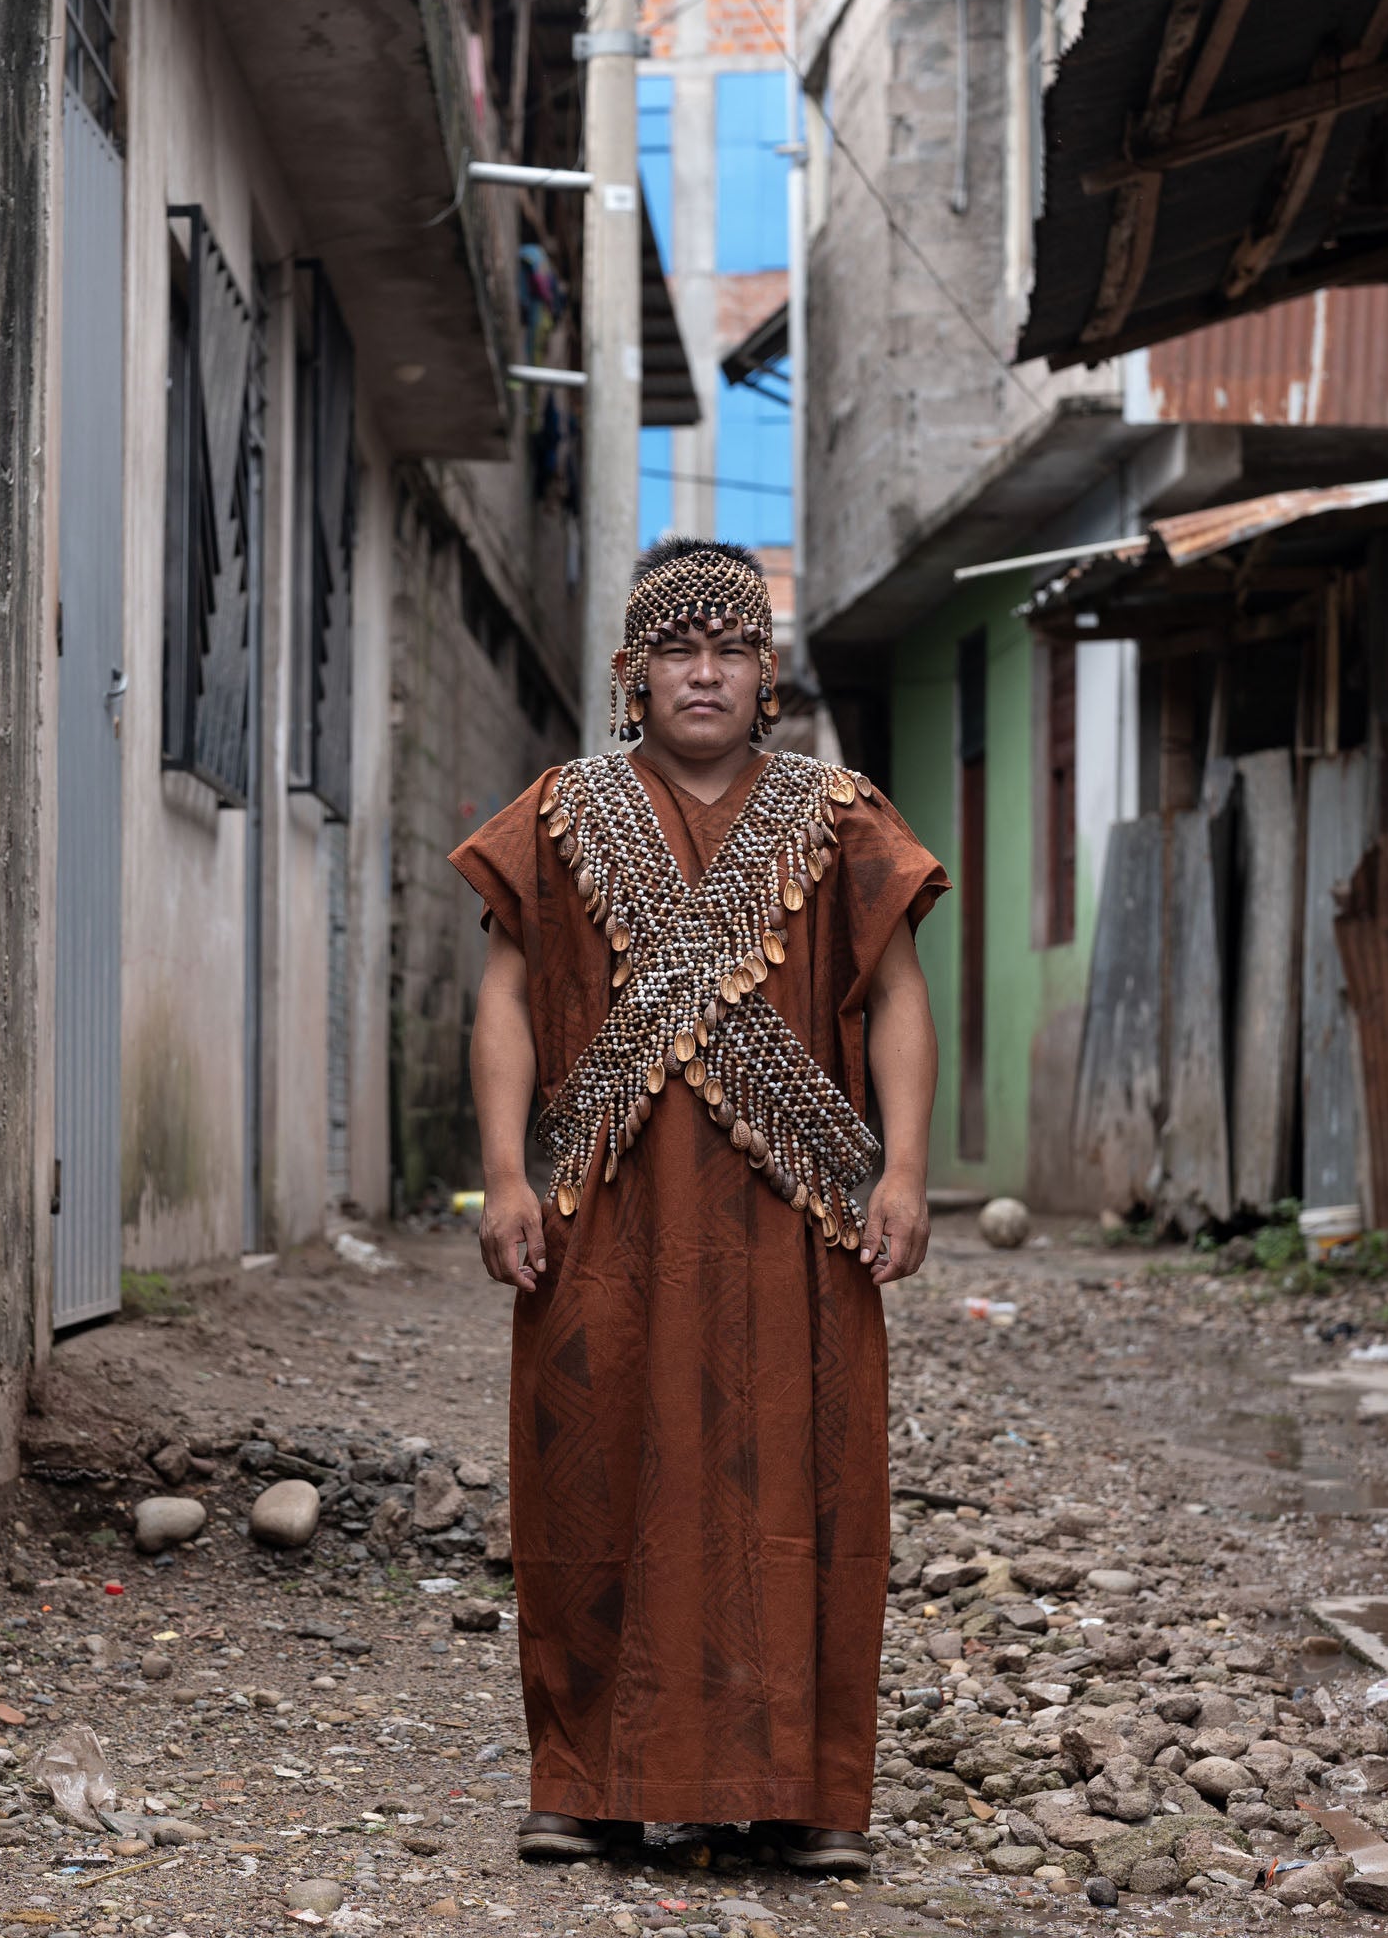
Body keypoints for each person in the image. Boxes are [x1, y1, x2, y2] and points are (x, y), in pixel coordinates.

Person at [449, 538, 945, 1875]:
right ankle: (590, 1782)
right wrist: (505, 1173)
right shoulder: (560, 815)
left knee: (808, 1484)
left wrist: (901, 1170)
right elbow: (502, 997)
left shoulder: (839, 816)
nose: (706, 672)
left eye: (731, 649)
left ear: (766, 671)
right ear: (633, 672)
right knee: (592, 1467)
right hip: (601, 1220)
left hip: (797, 1225)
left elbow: (896, 993)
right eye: (680, 649)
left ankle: (807, 1796)